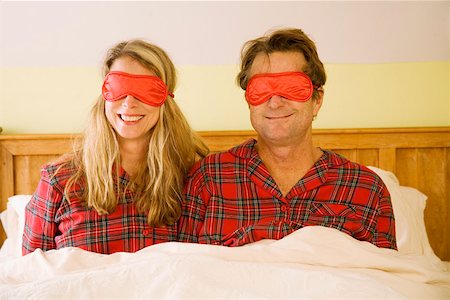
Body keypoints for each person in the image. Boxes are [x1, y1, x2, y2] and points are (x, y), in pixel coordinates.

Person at [178, 28, 397, 249]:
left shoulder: (366, 188)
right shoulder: (207, 180)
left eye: (291, 88)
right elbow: (181, 269)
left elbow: (385, 277)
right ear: (249, 102)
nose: (275, 103)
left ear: (317, 100)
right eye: (261, 89)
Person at [22, 39, 209, 255]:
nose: (129, 103)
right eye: (119, 87)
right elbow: (31, 273)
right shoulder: (59, 180)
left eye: (145, 90)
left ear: (166, 99)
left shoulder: (193, 179)